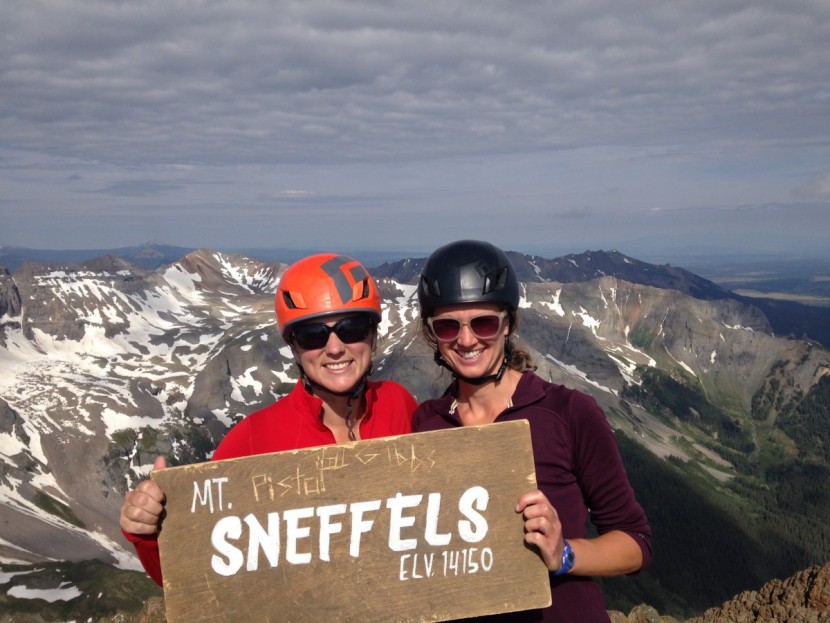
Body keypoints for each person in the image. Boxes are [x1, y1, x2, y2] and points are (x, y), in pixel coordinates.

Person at [120, 253, 416, 586]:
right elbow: (195, 576)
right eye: (313, 335)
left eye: (352, 329)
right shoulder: (252, 438)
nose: (334, 348)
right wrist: (147, 533)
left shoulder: (399, 404)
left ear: (372, 334)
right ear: (294, 347)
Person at [413, 240, 652, 622]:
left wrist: (564, 554)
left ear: (507, 324)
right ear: (433, 335)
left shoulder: (569, 413)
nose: (467, 340)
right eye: (447, 326)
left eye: (484, 323)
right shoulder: (427, 423)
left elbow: (635, 544)